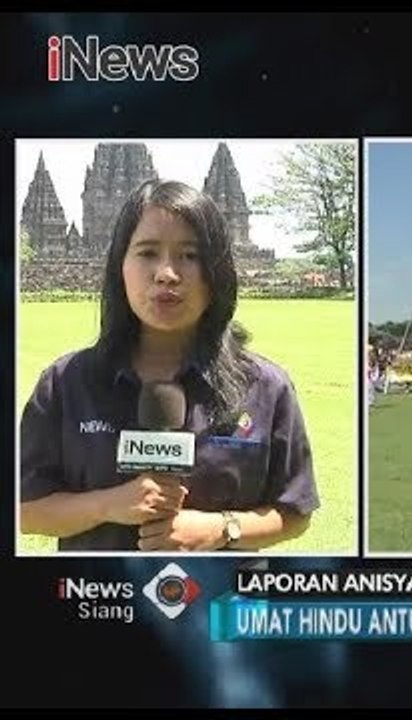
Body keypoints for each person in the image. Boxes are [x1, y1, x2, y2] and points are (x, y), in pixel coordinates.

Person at [19, 180, 319, 552]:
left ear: (216, 272)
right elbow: (26, 509)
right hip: (102, 600)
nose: (166, 273)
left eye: (190, 256)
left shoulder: (264, 387)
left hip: (221, 603)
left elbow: (294, 511)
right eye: (147, 253)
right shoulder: (66, 383)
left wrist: (221, 529)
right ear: (120, 266)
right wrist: (108, 504)